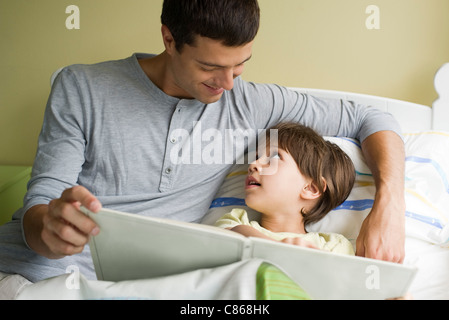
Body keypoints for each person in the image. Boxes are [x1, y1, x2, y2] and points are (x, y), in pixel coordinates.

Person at [0, 0, 406, 297]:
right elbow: (40, 205)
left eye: (241, 64)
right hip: (30, 275)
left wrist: (389, 204)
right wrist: (49, 230)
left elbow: (371, 118)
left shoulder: (250, 103)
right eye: (210, 67)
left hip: (145, 290)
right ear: (169, 39)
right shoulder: (82, 87)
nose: (228, 83)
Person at [215, 122, 356, 255]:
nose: (253, 164)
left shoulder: (333, 246)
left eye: (274, 156)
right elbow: (227, 235)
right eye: (257, 157)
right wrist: (280, 249)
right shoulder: (237, 221)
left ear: (310, 188)